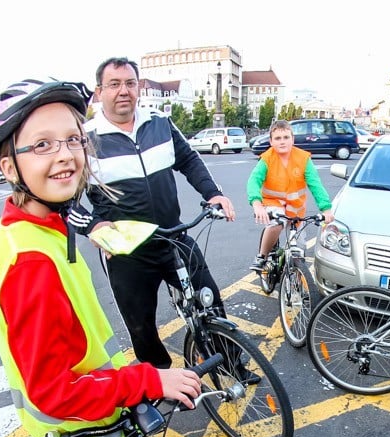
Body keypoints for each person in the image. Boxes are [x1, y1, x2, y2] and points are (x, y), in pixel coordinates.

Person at [0, 78, 203, 437]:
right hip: (80, 423)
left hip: (101, 397)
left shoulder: (39, 223)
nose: (65, 155)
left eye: (74, 138)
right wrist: (148, 379)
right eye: (41, 145)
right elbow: (53, 392)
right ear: (8, 165)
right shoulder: (31, 265)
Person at [72, 57, 259, 382]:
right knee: (141, 326)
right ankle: (158, 383)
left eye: (130, 83)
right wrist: (93, 226)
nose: (123, 91)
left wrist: (213, 193)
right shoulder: (84, 140)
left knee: (209, 299)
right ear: (99, 92)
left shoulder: (159, 123)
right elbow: (64, 201)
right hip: (127, 253)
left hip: (173, 236)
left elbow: (188, 159)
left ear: (139, 87)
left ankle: (231, 367)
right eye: (114, 85)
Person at [248, 119, 334, 271]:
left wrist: (326, 209)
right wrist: (257, 204)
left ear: (293, 139)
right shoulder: (267, 159)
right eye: (278, 138)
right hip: (273, 204)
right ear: (271, 141)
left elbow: (316, 185)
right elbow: (254, 181)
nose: (282, 142)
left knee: (299, 248)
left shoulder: (303, 159)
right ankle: (262, 256)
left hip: (296, 208)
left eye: (286, 137)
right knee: (276, 224)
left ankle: (296, 277)